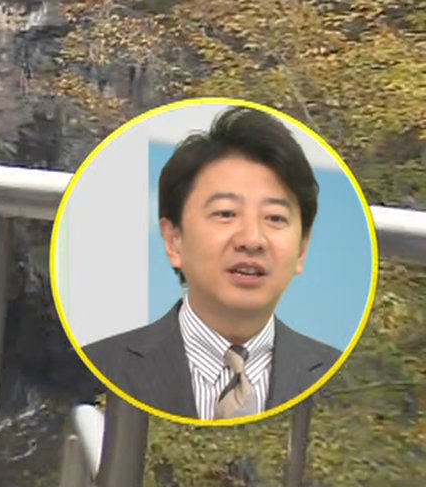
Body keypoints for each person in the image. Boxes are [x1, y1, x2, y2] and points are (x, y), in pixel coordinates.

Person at [80, 106, 345, 421]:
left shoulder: (336, 380)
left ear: (302, 249)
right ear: (174, 240)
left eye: (275, 218)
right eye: (225, 213)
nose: (252, 239)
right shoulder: (104, 364)